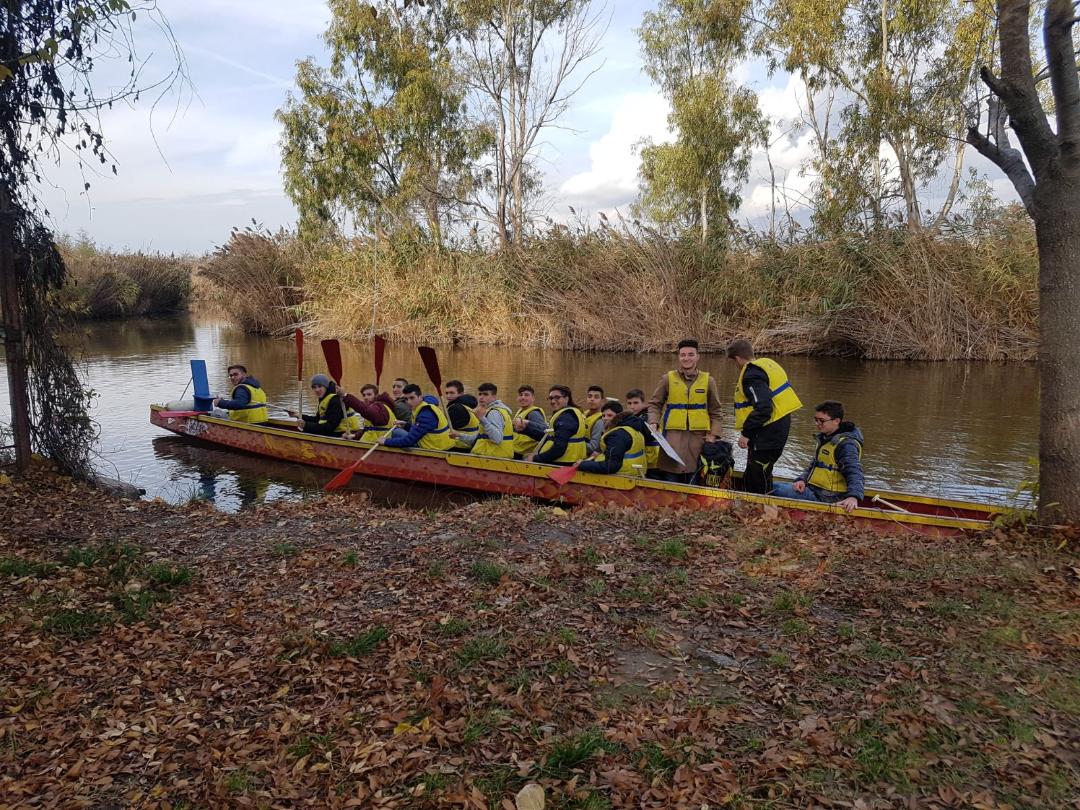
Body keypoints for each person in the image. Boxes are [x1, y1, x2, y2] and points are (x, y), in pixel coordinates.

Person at [726, 338, 803, 495]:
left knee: (756, 477)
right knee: (763, 471)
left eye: (734, 362)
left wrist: (746, 434)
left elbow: (763, 408)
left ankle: (760, 512)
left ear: (737, 359)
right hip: (780, 427)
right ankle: (766, 506)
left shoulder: (751, 375)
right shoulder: (768, 364)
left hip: (767, 433)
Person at [647, 338, 724, 484]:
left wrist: (713, 435)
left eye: (690, 354)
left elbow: (716, 412)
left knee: (694, 477)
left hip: (698, 440)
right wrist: (653, 422)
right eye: (683, 355)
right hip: (672, 440)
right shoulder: (667, 379)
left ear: (697, 356)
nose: (686, 358)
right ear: (678, 357)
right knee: (671, 478)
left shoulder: (709, 381)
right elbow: (655, 404)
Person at [772, 401, 864, 512]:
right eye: (816, 420)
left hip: (828, 498)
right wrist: (802, 480)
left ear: (836, 421)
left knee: (773, 488)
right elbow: (814, 466)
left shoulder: (846, 445)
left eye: (822, 421)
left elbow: (854, 471)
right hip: (814, 489)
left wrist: (853, 497)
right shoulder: (825, 438)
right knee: (773, 485)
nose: (817, 424)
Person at [578, 402, 647, 477]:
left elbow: (611, 466)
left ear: (618, 416)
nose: (605, 418)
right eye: (603, 415)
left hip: (622, 476)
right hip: (635, 473)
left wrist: (583, 464)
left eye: (610, 415)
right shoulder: (631, 428)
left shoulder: (617, 435)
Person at [379, 384, 456, 450]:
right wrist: (406, 425)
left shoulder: (426, 414)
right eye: (406, 399)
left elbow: (409, 441)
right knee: (399, 430)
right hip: (436, 444)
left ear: (420, 397)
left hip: (435, 448)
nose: (408, 402)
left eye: (412, 398)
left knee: (396, 432)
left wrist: (386, 441)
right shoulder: (422, 407)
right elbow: (421, 430)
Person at [526, 386, 588, 465]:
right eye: (551, 398)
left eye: (557, 398)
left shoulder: (566, 418)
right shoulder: (567, 414)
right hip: (564, 463)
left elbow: (558, 449)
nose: (553, 401)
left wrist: (536, 459)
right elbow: (549, 437)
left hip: (562, 465)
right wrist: (526, 429)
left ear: (566, 398)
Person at [296, 373, 361, 437]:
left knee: (307, 431)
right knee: (307, 429)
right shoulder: (324, 398)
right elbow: (318, 419)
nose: (317, 390)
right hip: (336, 430)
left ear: (326, 386)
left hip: (346, 433)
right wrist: (299, 415)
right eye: (314, 387)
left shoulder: (335, 400)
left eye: (320, 386)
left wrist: (306, 425)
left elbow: (331, 426)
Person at [470, 382, 515, 458]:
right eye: (480, 394)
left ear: (494, 397)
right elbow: (480, 437)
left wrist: (482, 419)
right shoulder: (491, 410)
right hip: (492, 456)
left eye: (485, 394)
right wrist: (459, 436)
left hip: (495, 458)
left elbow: (497, 439)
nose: (481, 397)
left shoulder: (494, 413)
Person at [625, 388, 660, 475]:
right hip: (645, 460)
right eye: (629, 403)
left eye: (636, 403)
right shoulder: (634, 417)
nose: (632, 407)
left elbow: (648, 435)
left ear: (643, 403)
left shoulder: (648, 417)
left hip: (653, 462)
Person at [512, 385, 548, 458]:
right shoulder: (521, 411)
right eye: (520, 395)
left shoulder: (534, 413)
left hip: (524, 454)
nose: (523, 397)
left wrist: (528, 423)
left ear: (533, 398)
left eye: (526, 395)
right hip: (516, 450)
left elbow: (544, 430)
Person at [444, 380, 481, 450]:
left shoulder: (456, 408)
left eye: (452, 393)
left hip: (459, 446)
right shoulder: (467, 406)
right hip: (471, 445)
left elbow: (444, 427)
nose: (448, 396)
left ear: (461, 394)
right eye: (446, 393)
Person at [583, 385, 607, 453]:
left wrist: (573, 444)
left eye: (596, 397)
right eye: (589, 396)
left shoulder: (601, 420)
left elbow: (594, 447)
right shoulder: (583, 414)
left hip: (590, 457)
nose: (592, 399)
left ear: (602, 401)